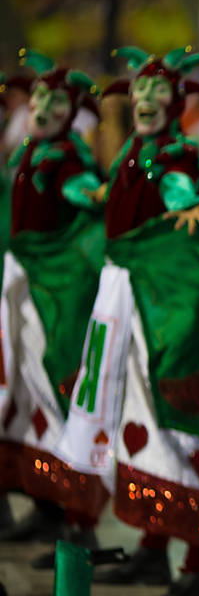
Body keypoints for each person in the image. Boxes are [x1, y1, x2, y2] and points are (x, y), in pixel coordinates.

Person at [49, 45, 199, 596]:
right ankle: (154, 551)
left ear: (177, 103)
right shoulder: (134, 148)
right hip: (128, 302)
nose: (146, 99)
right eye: (140, 90)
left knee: (178, 431)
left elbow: (177, 189)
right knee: (141, 430)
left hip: (165, 308)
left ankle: (196, 566)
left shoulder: (176, 156)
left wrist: (181, 201)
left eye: (159, 92)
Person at [0, 49, 105, 551]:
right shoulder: (25, 152)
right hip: (21, 289)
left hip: (53, 296)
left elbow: (80, 187)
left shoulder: (67, 155)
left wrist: (95, 195)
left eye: (56, 99)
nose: (43, 105)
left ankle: (75, 514)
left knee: (53, 390)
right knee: (23, 394)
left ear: (73, 109)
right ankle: (43, 505)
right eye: (40, 95)